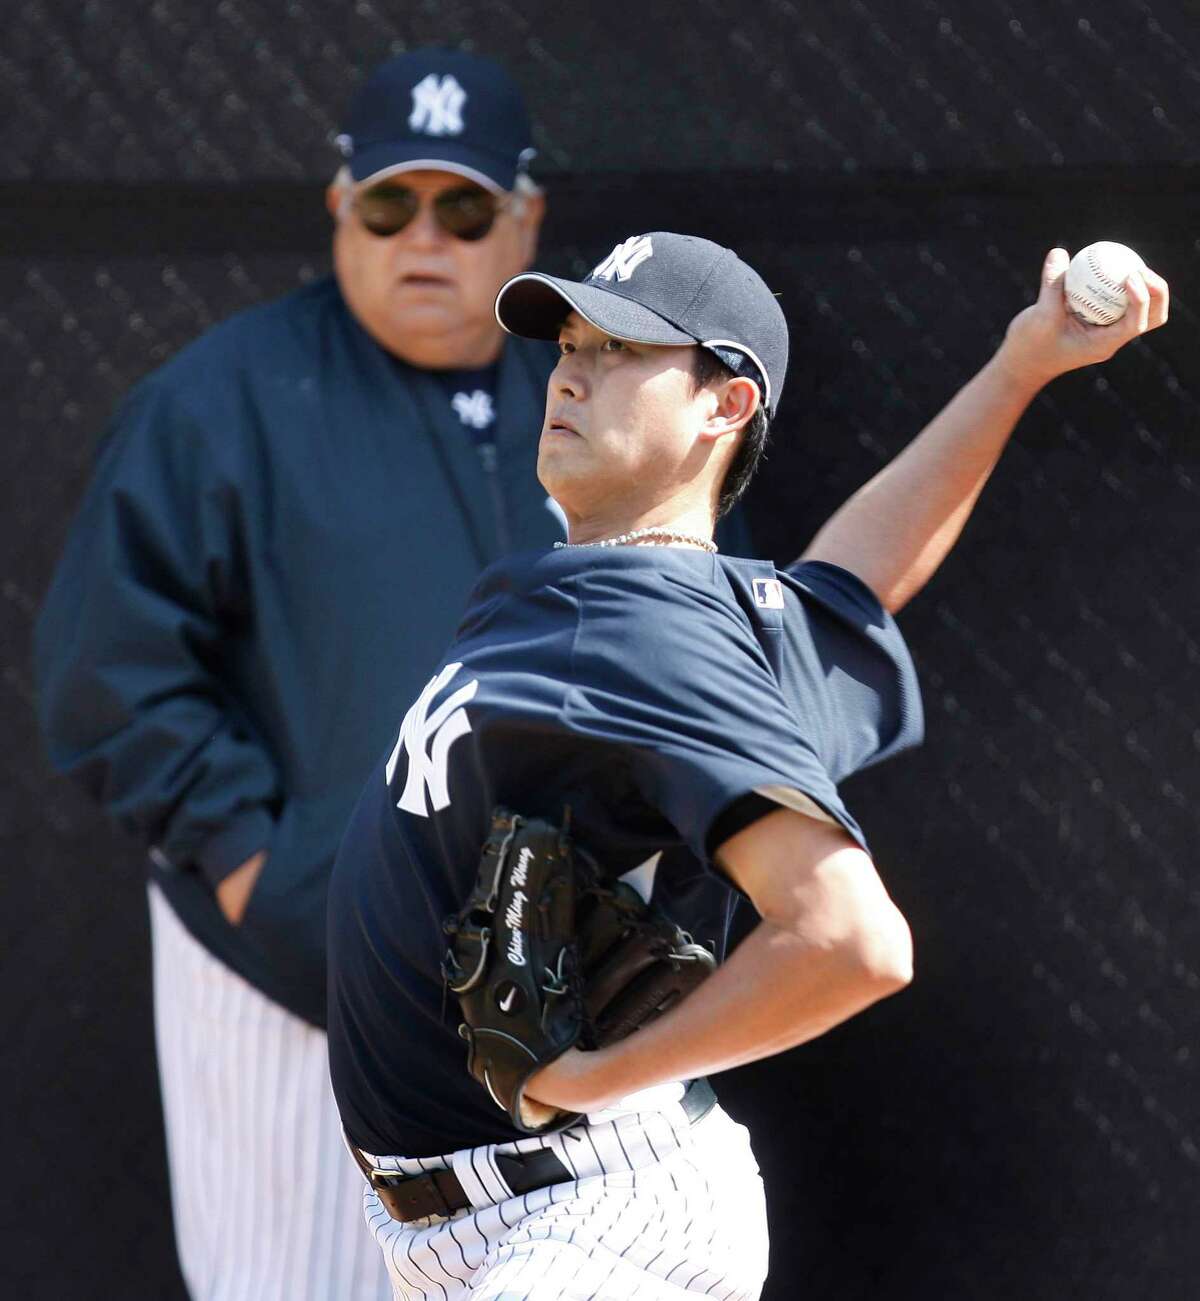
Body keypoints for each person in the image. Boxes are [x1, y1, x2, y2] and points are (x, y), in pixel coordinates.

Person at [324, 229, 1167, 1299]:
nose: (574, 370)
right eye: (570, 341)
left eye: (625, 350)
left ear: (727, 405)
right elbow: (852, 583)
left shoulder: (654, 633)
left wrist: (599, 1074)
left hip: (587, 1222)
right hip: (490, 1226)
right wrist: (1019, 367)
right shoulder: (681, 607)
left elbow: (852, 940)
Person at [32, 48, 613, 1301]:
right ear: (338, 206)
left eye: (463, 209)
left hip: (553, 985)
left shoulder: (596, 401)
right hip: (294, 973)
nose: (426, 238)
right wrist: (260, 865)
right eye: (390, 203)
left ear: (527, 218)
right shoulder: (220, 399)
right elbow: (106, 669)